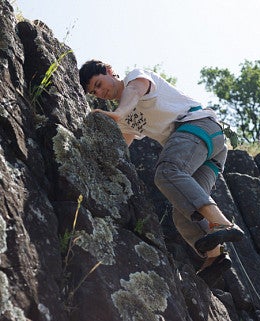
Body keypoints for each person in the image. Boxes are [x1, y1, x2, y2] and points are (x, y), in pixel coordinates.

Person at [79, 59, 244, 286]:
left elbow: (134, 93)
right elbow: (121, 145)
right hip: (209, 153)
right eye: (94, 91)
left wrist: (117, 114)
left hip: (198, 127)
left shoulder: (136, 77)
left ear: (109, 71)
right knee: (183, 212)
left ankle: (223, 224)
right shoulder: (125, 117)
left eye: (98, 83)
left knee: (166, 172)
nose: (99, 92)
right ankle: (215, 258)